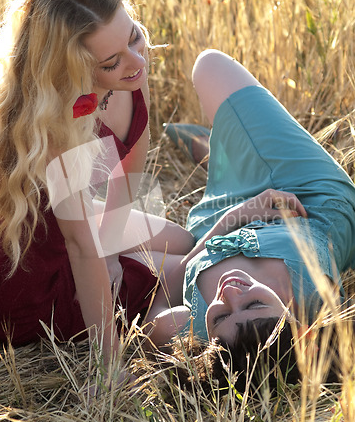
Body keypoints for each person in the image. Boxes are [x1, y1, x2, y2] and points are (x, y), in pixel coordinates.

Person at [0, 0, 194, 369]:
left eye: (134, 37)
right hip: (26, 279)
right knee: (179, 273)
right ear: (71, 67)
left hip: (65, 226)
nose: (135, 62)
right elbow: (81, 247)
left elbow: (133, 157)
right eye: (111, 62)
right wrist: (110, 369)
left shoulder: (130, 64)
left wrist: (112, 246)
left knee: (182, 242)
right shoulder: (58, 120)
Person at [145, 50, 355, 364]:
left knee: (116, 263)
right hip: (306, 194)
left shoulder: (188, 327)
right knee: (210, 66)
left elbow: (155, 311)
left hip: (217, 223)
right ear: (296, 325)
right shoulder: (316, 299)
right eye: (255, 304)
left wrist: (237, 215)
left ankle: (211, 151)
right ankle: (215, 146)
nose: (229, 294)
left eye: (220, 317)